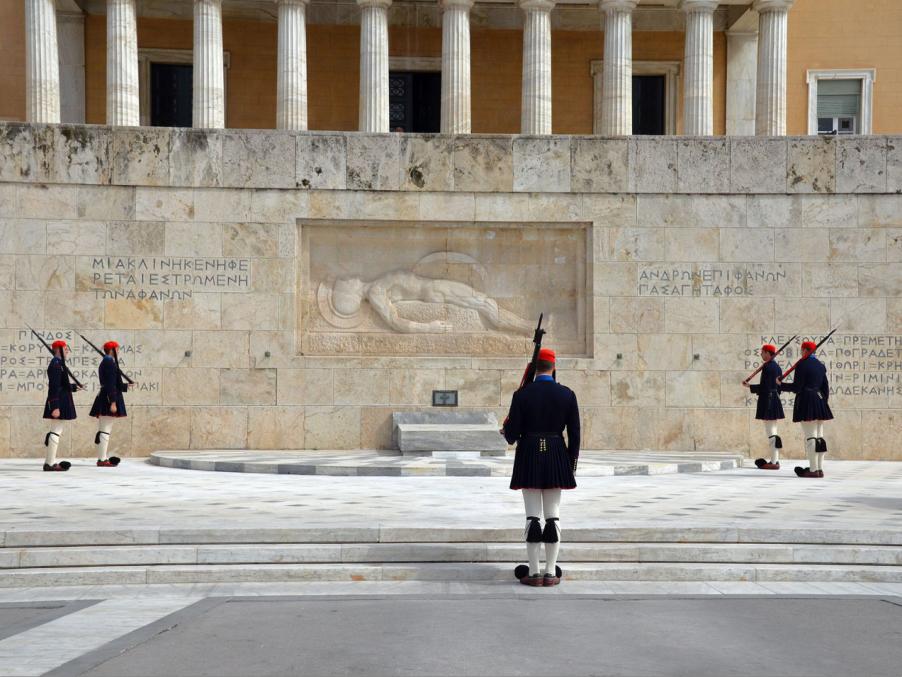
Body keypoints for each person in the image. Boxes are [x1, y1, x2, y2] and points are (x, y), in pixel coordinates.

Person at [502, 347, 580, 587]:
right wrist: (570, 464)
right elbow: (575, 434)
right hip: (556, 452)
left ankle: (534, 572)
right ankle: (550, 571)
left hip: (529, 454)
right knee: (553, 516)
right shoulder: (567, 394)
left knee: (532, 516)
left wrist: (506, 430)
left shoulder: (522, 394)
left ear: (534, 368)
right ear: (554, 367)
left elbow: (512, 435)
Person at [779, 340, 833, 478]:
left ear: (805, 350)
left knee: (811, 438)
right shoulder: (820, 365)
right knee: (819, 437)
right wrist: (822, 402)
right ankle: (819, 468)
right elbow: (825, 387)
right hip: (819, 400)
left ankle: (813, 470)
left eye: (801, 350)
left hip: (807, 401)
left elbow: (797, 387)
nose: (801, 352)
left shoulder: (802, 364)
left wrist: (781, 384)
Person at [744, 343, 785, 470]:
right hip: (774, 399)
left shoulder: (768, 367)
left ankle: (774, 462)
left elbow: (765, 387)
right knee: (773, 431)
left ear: (767, 353)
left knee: (771, 432)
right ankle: (775, 459)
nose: (761, 354)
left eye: (762, 352)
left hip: (768, 400)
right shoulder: (777, 367)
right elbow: (779, 387)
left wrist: (750, 386)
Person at [88, 341, 128, 467]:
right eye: (117, 349)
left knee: (104, 429)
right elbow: (110, 384)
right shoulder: (109, 362)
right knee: (105, 430)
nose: (118, 351)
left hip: (106, 396)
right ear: (112, 350)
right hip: (108, 398)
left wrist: (125, 386)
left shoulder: (107, 361)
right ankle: (102, 459)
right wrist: (113, 402)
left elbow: (113, 381)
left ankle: (102, 457)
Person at [42, 340, 80, 472]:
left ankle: (50, 462)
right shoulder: (56, 364)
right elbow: (53, 387)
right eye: (65, 348)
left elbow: (61, 384)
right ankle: (50, 463)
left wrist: (73, 387)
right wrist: (55, 406)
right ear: (58, 350)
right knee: (55, 431)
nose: (67, 350)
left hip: (61, 399)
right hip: (58, 401)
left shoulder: (59, 363)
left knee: (56, 431)